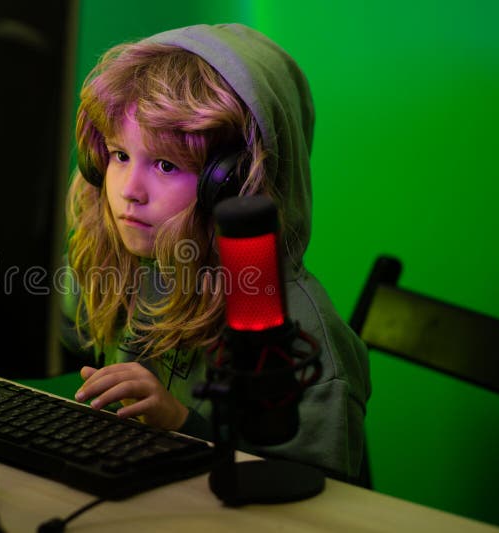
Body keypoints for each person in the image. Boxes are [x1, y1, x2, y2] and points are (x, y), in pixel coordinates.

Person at [60, 23, 370, 481]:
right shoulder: (128, 265)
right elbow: (55, 335)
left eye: (166, 165)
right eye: (120, 156)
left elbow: (317, 500)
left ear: (230, 183)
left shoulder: (297, 330)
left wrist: (183, 426)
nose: (129, 191)